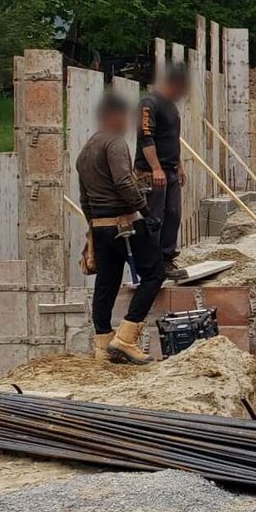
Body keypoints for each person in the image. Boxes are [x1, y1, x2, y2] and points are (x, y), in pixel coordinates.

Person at [77, 92, 164, 364]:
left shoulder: (86, 150)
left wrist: (93, 226)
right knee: (154, 273)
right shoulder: (114, 143)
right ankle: (126, 338)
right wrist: (146, 212)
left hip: (100, 226)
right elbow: (124, 182)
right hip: (124, 223)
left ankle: (103, 345)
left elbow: (84, 198)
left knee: (106, 282)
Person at [135, 63, 189, 281]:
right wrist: (156, 168)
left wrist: (179, 165)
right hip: (152, 173)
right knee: (154, 217)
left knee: (173, 214)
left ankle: (166, 259)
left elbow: (172, 139)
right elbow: (145, 137)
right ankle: (152, 264)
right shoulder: (149, 104)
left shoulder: (170, 107)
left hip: (170, 170)